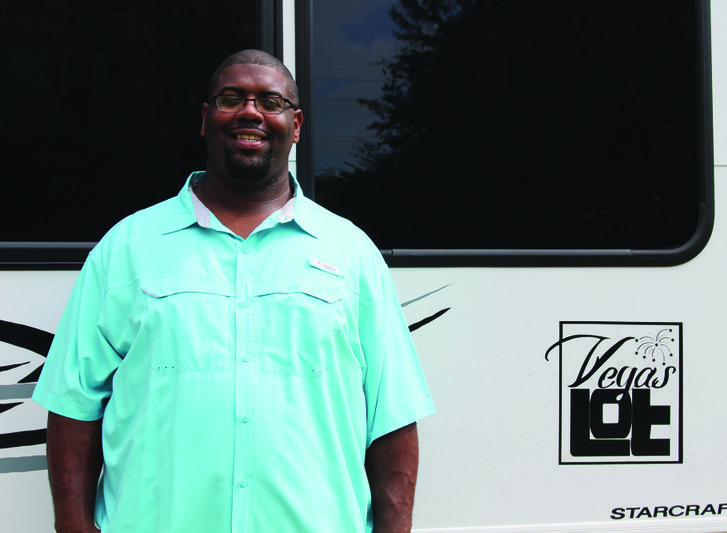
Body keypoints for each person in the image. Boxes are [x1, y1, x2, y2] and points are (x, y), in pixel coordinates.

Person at [32, 49, 435, 533]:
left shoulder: (352, 254)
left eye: (271, 101)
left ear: (297, 124)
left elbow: (391, 416)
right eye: (232, 98)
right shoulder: (127, 248)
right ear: (206, 119)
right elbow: (73, 404)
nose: (250, 111)